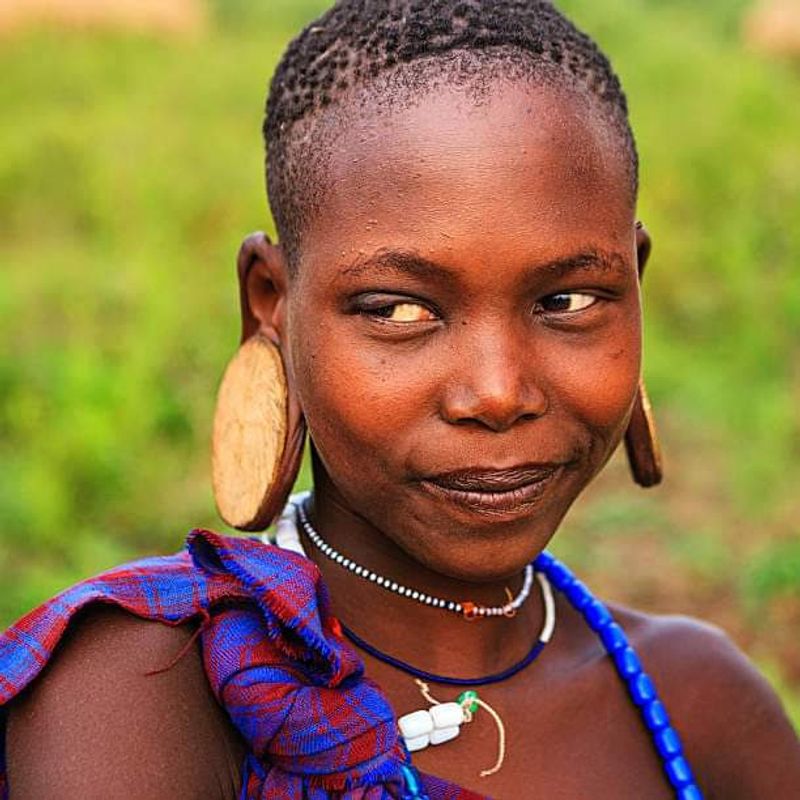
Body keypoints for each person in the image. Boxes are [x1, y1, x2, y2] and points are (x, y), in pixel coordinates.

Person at [1, 1, 799, 798]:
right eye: (398, 310)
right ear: (270, 303)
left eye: (568, 301)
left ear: (636, 282)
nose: (497, 393)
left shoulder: (697, 707)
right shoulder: (149, 690)